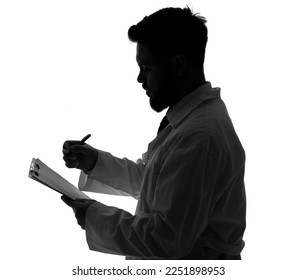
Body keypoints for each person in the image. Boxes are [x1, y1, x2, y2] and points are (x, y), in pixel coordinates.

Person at [62, 7, 246, 260]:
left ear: (178, 65)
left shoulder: (198, 136)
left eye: (147, 68)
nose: (139, 79)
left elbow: (166, 239)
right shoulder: (191, 121)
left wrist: (93, 216)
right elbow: (155, 182)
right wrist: (94, 162)